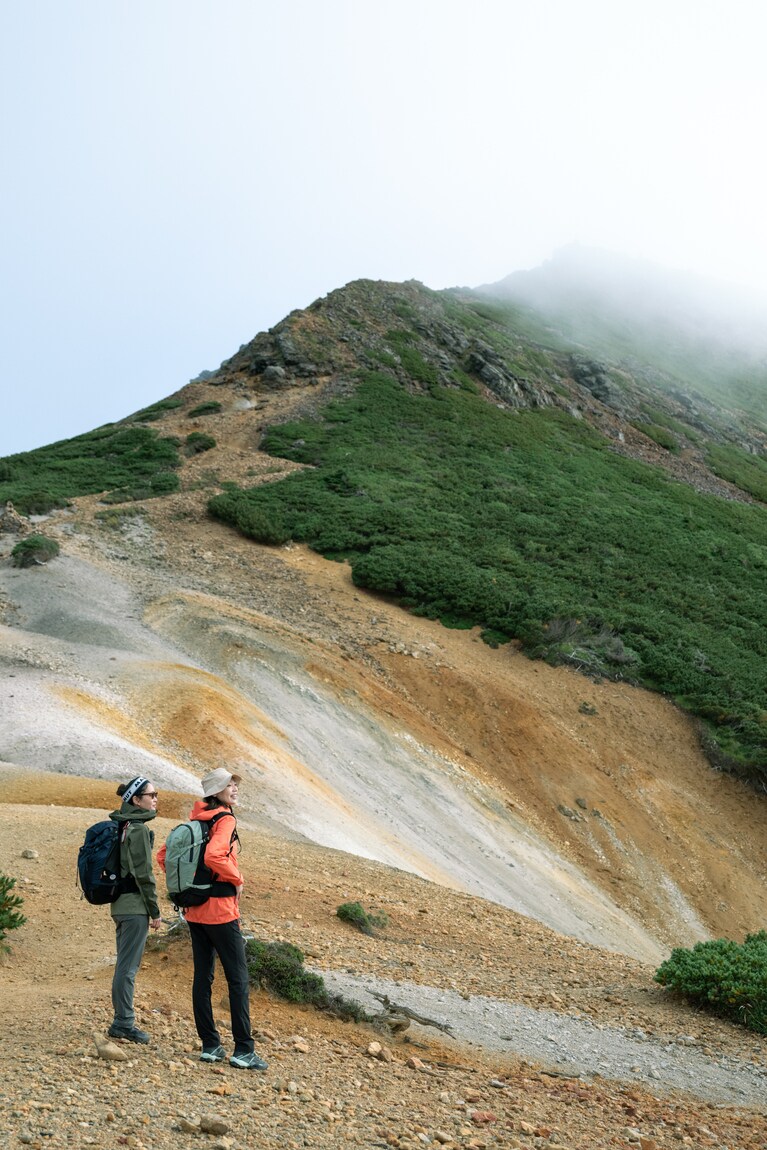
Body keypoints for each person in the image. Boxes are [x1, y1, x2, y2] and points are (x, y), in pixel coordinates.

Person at [158, 768, 267, 1071]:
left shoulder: (196, 819)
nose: (233, 788)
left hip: (194, 911)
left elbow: (163, 856)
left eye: (234, 784)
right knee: (238, 978)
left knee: (203, 977)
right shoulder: (225, 819)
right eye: (227, 785)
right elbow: (214, 857)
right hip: (220, 910)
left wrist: (191, 887)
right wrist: (238, 878)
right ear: (215, 791)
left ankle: (210, 1046)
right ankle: (244, 1050)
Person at [108, 776, 163, 1043]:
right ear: (136, 799)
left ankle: (122, 1019)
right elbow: (144, 874)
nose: (155, 799)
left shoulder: (123, 825)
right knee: (128, 968)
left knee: (124, 965)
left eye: (155, 795)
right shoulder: (138, 829)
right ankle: (123, 1023)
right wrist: (155, 910)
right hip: (135, 908)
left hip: (120, 906)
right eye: (151, 795)